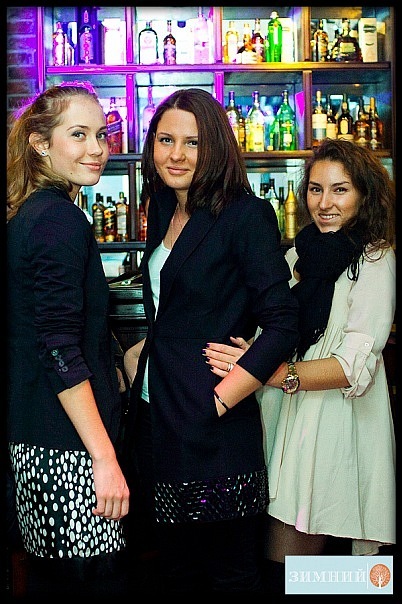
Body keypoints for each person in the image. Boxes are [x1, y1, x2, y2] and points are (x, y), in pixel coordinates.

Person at [122, 87, 299, 593]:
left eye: (193, 142)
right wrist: (140, 361)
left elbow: (283, 321)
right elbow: (172, 313)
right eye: (165, 140)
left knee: (230, 575)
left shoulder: (245, 215)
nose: (176, 155)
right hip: (157, 420)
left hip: (214, 430)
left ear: (216, 146)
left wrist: (222, 398)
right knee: (174, 571)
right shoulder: (162, 206)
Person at [204, 137, 396, 593]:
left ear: (364, 195)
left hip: (337, 420)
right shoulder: (297, 254)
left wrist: (267, 371)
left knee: (309, 571)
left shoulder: (376, 258)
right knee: (293, 571)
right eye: (315, 189)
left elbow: (352, 367)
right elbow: (276, 330)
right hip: (289, 414)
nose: (324, 203)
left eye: (340, 190)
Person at [7, 83, 130, 596]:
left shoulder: (29, 212)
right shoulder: (60, 219)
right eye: (78, 135)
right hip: (70, 454)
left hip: (37, 443)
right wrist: (104, 458)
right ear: (40, 143)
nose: (96, 148)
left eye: (101, 134)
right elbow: (58, 347)